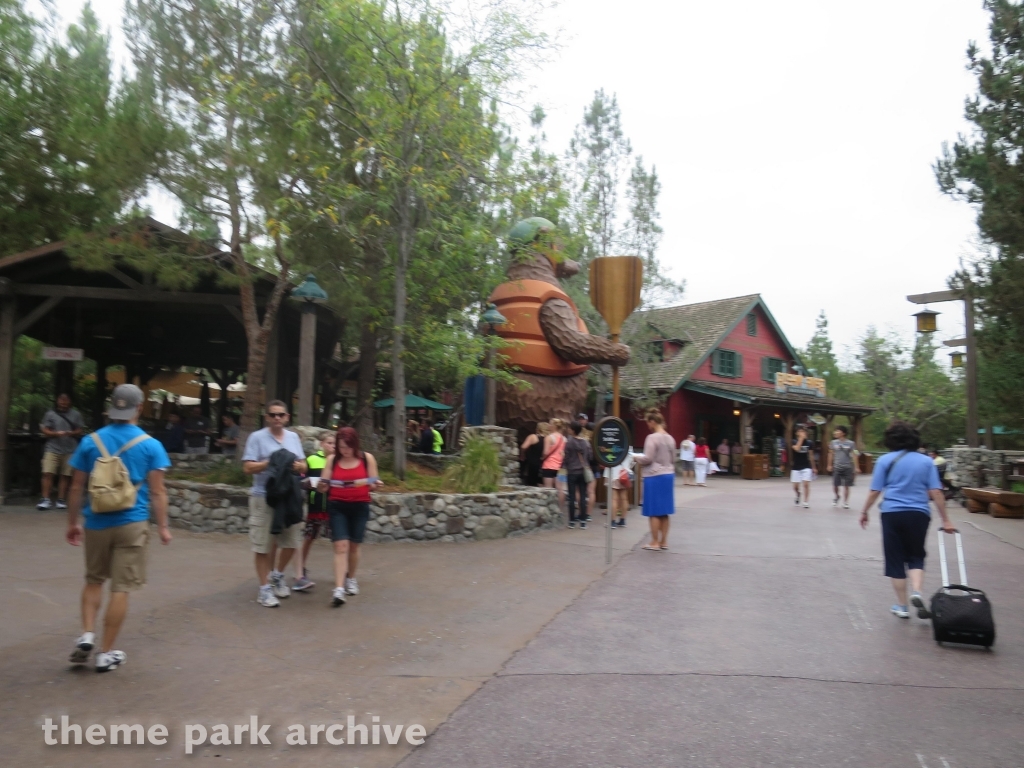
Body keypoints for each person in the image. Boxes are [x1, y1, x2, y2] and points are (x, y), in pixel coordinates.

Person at [65, 384, 171, 672]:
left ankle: (87, 633)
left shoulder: (90, 441)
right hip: (132, 523)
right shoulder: (151, 445)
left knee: (93, 580)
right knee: (121, 588)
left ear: (112, 407)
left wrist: (73, 523)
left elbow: (76, 486)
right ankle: (105, 653)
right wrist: (163, 526)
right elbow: (158, 492)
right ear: (140, 407)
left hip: (97, 522)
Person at [860, 421, 955, 619]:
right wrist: (945, 519)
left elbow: (875, 491)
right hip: (918, 513)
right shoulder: (926, 461)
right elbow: (936, 491)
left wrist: (864, 511)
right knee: (916, 555)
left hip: (892, 513)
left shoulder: (885, 460)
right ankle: (917, 592)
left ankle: (902, 606)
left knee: (895, 560)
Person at [241, 401, 307, 608]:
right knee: (263, 544)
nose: (277, 418)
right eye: (273, 415)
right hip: (264, 497)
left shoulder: (294, 437)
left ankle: (277, 575)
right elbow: (247, 468)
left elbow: (304, 465)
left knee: (291, 540)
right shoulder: (257, 438)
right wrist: (271, 463)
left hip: (290, 496)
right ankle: (264, 589)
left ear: (287, 417)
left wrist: (297, 465)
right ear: (267, 417)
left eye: (281, 415)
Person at [318, 427, 382, 607]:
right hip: (337, 506)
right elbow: (323, 484)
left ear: (355, 445)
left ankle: (351, 578)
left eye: (348, 447)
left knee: (354, 545)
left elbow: (373, 482)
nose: (345, 451)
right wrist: (322, 486)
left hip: (360, 505)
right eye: (341, 447)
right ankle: (338, 589)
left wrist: (375, 484)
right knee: (340, 546)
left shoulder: (366, 458)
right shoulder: (332, 460)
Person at [293, 432, 336, 592]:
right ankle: (300, 569)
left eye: (335, 444)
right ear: (321, 444)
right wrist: (310, 485)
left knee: (338, 540)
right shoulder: (311, 460)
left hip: (333, 506)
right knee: (309, 538)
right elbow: (301, 480)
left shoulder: (339, 461)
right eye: (329, 443)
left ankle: (342, 572)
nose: (332, 446)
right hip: (315, 506)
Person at [633, 409, 677, 550]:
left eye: (647, 423)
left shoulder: (652, 438)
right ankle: (664, 541)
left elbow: (648, 458)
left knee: (653, 511)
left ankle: (654, 542)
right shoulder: (670, 438)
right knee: (664, 510)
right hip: (668, 474)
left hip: (654, 475)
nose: (648, 426)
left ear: (652, 422)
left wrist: (634, 457)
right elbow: (674, 459)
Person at [38, 393, 85, 510]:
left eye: (66, 400)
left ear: (70, 401)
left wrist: (71, 433)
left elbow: (79, 429)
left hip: (70, 449)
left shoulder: (76, 414)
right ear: (57, 401)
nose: (63, 402)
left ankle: (61, 499)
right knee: (47, 473)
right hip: (52, 448)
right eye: (61, 399)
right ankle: (45, 499)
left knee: (65, 475)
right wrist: (55, 434)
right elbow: (45, 429)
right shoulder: (50, 414)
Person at [562, 422, 593, 529]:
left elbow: (566, 457)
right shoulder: (585, 442)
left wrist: (565, 466)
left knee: (572, 497)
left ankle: (571, 521)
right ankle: (583, 521)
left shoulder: (569, 442)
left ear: (573, 430)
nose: (568, 430)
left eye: (569, 428)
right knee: (583, 497)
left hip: (572, 472)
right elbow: (590, 456)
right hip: (583, 472)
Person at [827, 425, 858, 509]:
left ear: (843, 433)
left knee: (846, 485)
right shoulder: (833, 442)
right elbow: (830, 454)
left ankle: (846, 502)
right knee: (835, 485)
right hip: (837, 466)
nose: (835, 432)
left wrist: (856, 467)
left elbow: (855, 454)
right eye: (835, 431)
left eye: (838, 431)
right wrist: (829, 465)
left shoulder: (851, 443)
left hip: (847, 467)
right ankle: (837, 496)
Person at [609, 449, 635, 528]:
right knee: (624, 499)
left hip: (614, 474)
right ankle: (622, 520)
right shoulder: (628, 447)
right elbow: (632, 461)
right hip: (625, 475)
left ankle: (613, 521)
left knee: (614, 499)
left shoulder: (613, 445)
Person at [791, 427, 816, 507]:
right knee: (795, 487)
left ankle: (806, 501)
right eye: (800, 431)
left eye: (803, 431)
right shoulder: (794, 441)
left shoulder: (809, 443)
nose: (802, 433)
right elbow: (797, 449)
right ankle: (798, 494)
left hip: (806, 466)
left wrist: (814, 467)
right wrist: (801, 439)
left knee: (806, 484)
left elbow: (811, 456)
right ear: (797, 433)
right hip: (796, 466)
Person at [520, 423, 547, 487]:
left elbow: (523, 447)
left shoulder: (533, 437)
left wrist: (522, 454)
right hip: (544, 464)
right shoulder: (548, 439)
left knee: (531, 484)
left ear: (538, 429)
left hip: (532, 462)